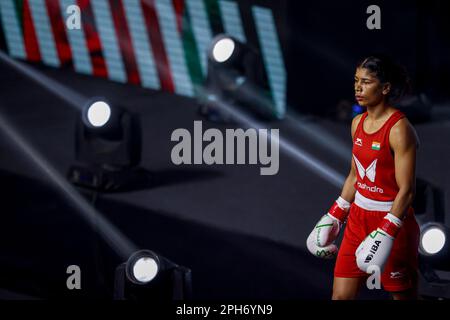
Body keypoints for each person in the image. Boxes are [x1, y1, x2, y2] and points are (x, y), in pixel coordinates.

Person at [306, 55, 420, 300]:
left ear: (385, 88)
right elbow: (355, 175)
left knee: (403, 297)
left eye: (366, 82)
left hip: (393, 220)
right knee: (340, 297)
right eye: (356, 81)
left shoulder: (399, 129)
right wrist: (335, 214)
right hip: (358, 219)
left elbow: (407, 191)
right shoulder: (357, 122)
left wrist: (387, 230)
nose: (358, 87)